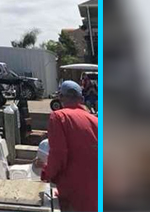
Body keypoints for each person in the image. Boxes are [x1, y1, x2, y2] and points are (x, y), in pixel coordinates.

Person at [42, 81, 97, 212]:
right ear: (82, 99)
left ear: (61, 98)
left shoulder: (59, 116)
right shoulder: (96, 120)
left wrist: (46, 173)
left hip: (74, 193)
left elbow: (58, 154)